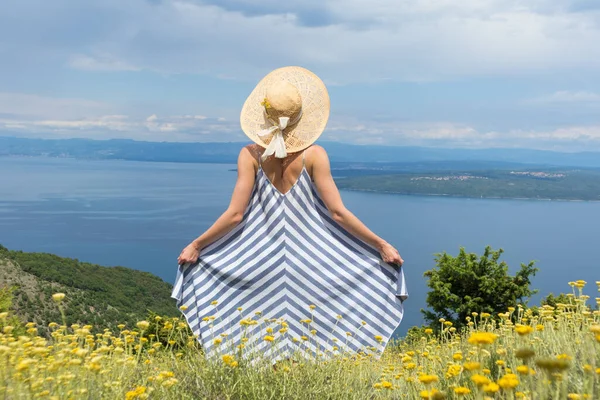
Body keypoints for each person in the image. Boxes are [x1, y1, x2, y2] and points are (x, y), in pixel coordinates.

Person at [172, 66, 408, 364]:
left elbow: (234, 216)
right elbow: (338, 214)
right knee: (314, 344)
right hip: (313, 264)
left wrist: (196, 245)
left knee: (258, 341)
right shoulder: (314, 155)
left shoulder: (250, 155)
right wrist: (380, 244)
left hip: (258, 262)